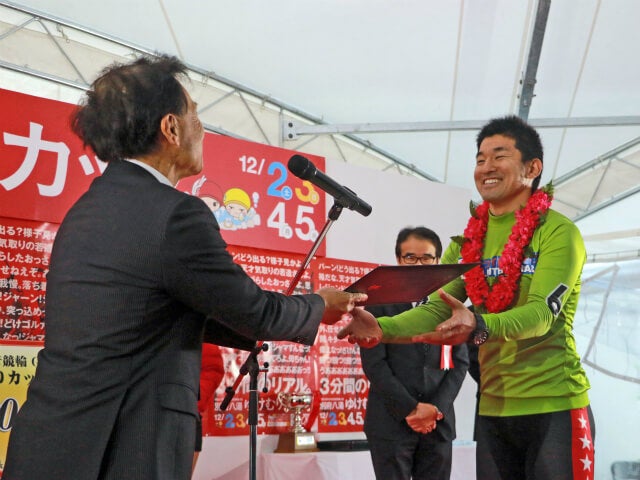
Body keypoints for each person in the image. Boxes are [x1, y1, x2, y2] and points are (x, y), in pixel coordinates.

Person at [3, 55, 366, 480]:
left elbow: (149, 311)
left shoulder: (85, 210)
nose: (202, 129)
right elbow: (256, 312)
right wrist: (319, 305)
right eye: (195, 115)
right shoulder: (176, 213)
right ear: (171, 128)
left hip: (52, 442)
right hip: (124, 444)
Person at [339, 115, 595, 480]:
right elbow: (434, 309)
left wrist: (478, 323)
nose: (486, 167)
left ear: (532, 168)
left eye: (499, 156)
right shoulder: (467, 241)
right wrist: (381, 329)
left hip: (554, 404)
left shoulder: (558, 232)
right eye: (480, 159)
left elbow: (541, 314)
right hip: (493, 408)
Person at [360, 227, 469, 480]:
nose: (419, 264)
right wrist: (411, 409)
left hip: (437, 423)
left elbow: (460, 362)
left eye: (426, 258)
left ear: (438, 260)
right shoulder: (378, 301)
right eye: (410, 257)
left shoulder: (450, 302)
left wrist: (436, 408)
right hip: (390, 423)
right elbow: (375, 364)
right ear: (398, 259)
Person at [192, 343, 225, 475]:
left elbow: (213, 369)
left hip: (186, 416)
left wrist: (191, 399)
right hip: (142, 415)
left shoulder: (198, 335)